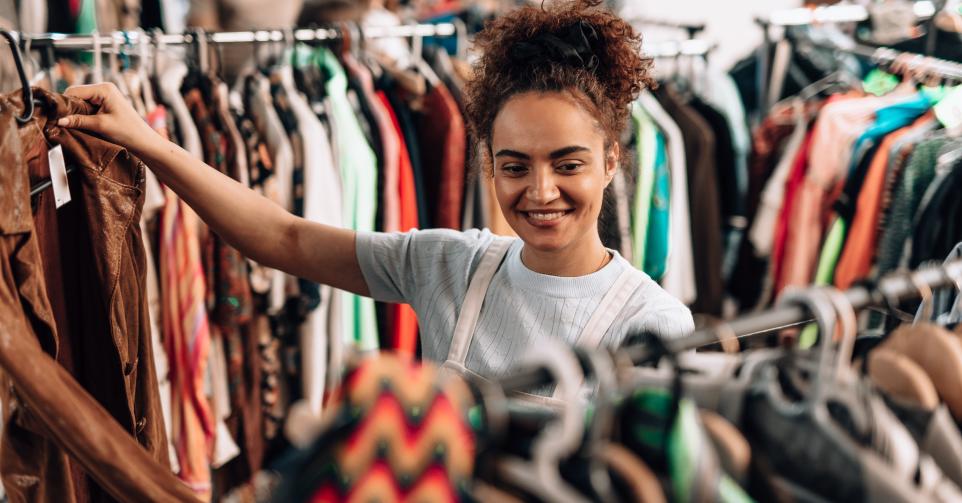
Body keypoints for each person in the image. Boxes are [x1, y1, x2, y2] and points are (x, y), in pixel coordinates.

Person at [55, 0, 694, 399]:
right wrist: (148, 143)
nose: (541, 190)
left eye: (569, 163)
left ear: (611, 159)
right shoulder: (451, 266)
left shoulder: (656, 323)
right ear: (487, 165)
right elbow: (284, 238)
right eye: (515, 165)